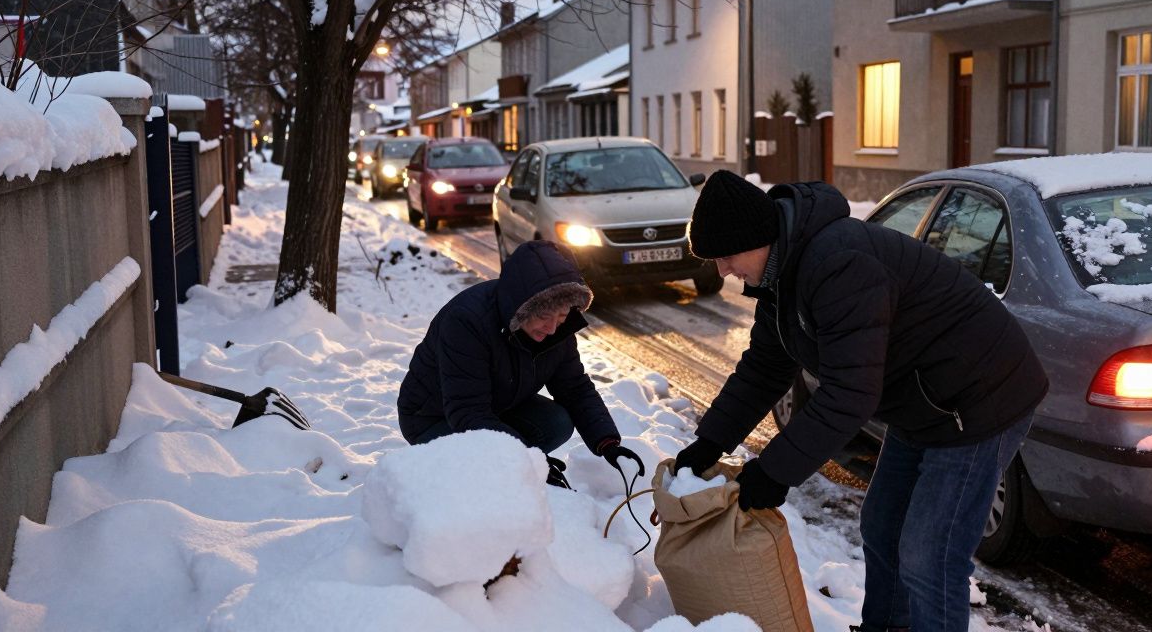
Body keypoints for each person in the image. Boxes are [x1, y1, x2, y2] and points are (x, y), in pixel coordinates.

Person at [673, 171, 1047, 632]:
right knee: (883, 525)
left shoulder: (839, 263)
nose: (723, 270)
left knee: (930, 556)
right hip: (925, 403)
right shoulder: (780, 276)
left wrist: (772, 474)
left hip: (977, 400)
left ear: (759, 237)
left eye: (727, 256)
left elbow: (849, 393)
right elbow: (766, 367)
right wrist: (709, 444)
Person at [398, 239, 643, 486]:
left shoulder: (557, 329)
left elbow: (574, 388)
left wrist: (608, 443)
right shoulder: (467, 321)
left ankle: (504, 461)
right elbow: (468, 411)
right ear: (521, 307)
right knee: (485, 472)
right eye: (544, 316)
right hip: (433, 419)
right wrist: (528, 460)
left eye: (561, 315)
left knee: (557, 422)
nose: (552, 327)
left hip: (497, 405)